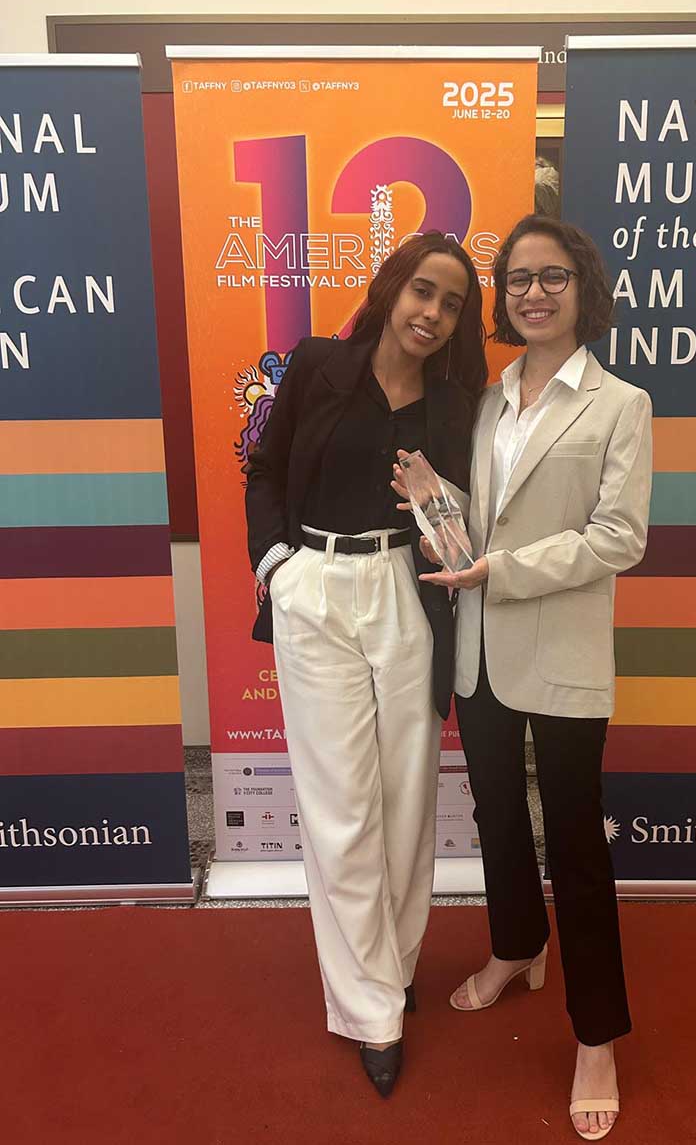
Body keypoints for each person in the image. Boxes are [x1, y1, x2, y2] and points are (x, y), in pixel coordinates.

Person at [397, 215, 652, 1139]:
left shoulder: (620, 403)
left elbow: (618, 538)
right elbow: (486, 518)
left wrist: (499, 571)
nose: (532, 293)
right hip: (479, 649)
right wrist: (436, 495)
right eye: (517, 281)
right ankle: (516, 945)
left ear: (583, 288)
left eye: (551, 277)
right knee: (497, 815)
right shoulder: (485, 398)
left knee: (577, 843)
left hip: (563, 650)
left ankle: (596, 1034)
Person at [246, 232, 487, 1097]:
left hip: (406, 590)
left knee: (406, 796)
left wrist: (441, 495)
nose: (432, 312)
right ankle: (369, 1008)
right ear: (391, 290)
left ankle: (392, 959)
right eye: (423, 290)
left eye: (452, 302)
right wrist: (279, 564)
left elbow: (467, 519)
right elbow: (263, 469)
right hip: (316, 589)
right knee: (341, 808)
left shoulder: (458, 403)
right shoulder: (315, 365)